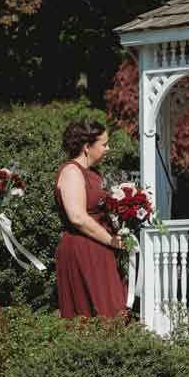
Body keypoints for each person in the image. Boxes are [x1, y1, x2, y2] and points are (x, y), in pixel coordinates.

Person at [54, 119, 127, 321]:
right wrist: (110, 240)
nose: (108, 149)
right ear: (87, 147)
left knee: (113, 309)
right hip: (83, 247)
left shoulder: (93, 173)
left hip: (100, 247)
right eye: (104, 144)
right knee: (94, 312)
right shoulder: (71, 171)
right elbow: (77, 217)